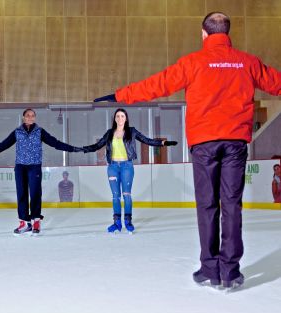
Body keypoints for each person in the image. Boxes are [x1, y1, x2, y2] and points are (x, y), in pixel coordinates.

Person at [94, 12, 281, 288]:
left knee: (207, 205)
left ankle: (209, 268)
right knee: (231, 205)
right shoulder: (247, 62)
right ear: (227, 33)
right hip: (235, 143)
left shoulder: (192, 63)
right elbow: (276, 83)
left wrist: (120, 95)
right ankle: (229, 271)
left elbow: (156, 85)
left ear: (204, 34)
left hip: (204, 143)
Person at [0, 108, 83, 236]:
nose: (30, 117)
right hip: (20, 167)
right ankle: (24, 223)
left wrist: (74, 149)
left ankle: (36, 222)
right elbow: (2, 146)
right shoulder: (17, 132)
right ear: (23, 117)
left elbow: (56, 143)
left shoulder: (40, 132)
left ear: (35, 118)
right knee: (22, 195)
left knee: (35, 194)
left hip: (34, 166)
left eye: (33, 115)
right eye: (28, 115)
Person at [83, 108, 177, 234]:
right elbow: (97, 145)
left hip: (127, 166)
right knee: (115, 196)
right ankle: (117, 223)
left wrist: (164, 143)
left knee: (126, 195)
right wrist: (83, 149)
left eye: (122, 116)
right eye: (117, 116)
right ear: (115, 118)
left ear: (126, 118)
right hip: (112, 167)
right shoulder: (109, 133)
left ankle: (128, 222)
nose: (120, 118)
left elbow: (147, 140)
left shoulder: (131, 131)